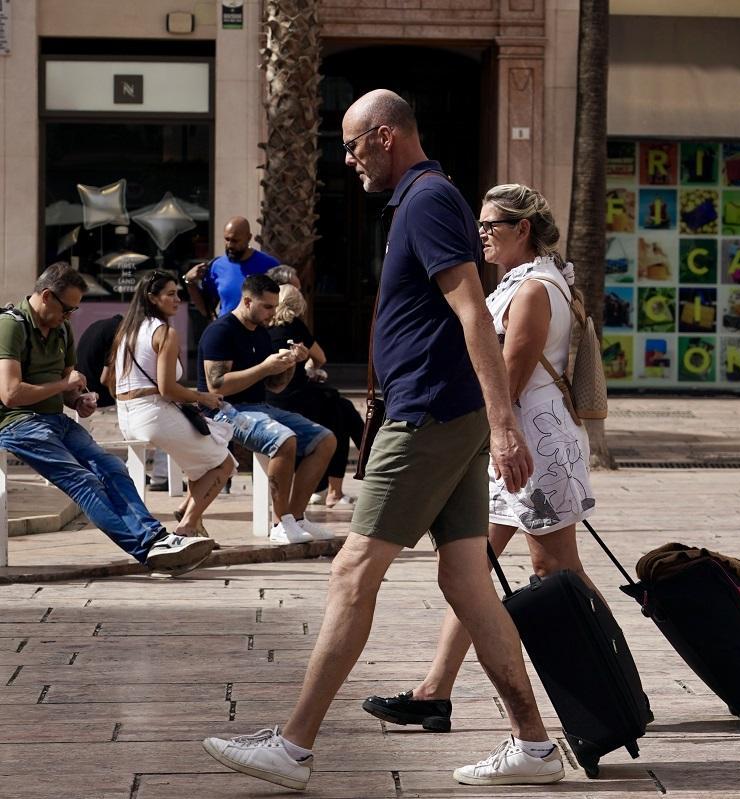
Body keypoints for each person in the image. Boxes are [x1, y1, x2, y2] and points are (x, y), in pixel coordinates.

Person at [202, 89, 561, 791]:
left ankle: (294, 744)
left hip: (427, 415)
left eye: (352, 143)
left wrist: (503, 421)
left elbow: (471, 314)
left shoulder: (427, 202)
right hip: (443, 412)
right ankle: (534, 743)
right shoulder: (423, 202)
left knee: (352, 570)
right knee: (464, 578)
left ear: (387, 136)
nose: (347, 158)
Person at [361, 182, 597, 734]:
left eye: (492, 225)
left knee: (555, 569)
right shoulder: (526, 283)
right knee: (473, 569)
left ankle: (604, 680)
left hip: (528, 444)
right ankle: (434, 691)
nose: (480, 234)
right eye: (480, 224)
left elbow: (509, 379)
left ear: (523, 230)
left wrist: (492, 435)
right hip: (518, 441)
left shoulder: (535, 289)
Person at [0, 263, 215, 573]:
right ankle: (147, 549)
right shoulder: (11, 326)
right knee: (83, 480)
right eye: (67, 309)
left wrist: (77, 399)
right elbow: (10, 394)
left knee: (112, 466)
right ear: (46, 296)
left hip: (54, 420)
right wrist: (66, 385)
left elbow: (66, 386)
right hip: (17, 423)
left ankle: (157, 539)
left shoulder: (60, 328)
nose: (70, 316)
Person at [196, 274, 337, 546]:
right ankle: (280, 522)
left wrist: (289, 364)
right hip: (223, 409)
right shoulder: (221, 331)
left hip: (258, 407)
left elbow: (275, 387)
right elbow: (216, 387)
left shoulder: (260, 332)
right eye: (267, 306)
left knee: (325, 439)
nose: (273, 313)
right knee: (284, 439)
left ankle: (296, 518)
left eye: (274, 306)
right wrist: (264, 367)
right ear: (248, 301)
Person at [111, 271, 236, 541]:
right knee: (225, 463)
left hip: (127, 417)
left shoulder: (127, 331)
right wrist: (204, 397)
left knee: (202, 464)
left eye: (178, 293)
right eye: (170, 294)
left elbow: (111, 381)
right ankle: (187, 527)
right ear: (152, 298)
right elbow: (168, 389)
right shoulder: (165, 332)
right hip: (154, 416)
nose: (177, 299)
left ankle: (192, 517)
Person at [265, 284, 364, 508]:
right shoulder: (294, 326)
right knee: (341, 412)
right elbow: (320, 357)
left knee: (340, 407)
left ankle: (332, 486)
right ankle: (340, 486)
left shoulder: (262, 327)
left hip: (271, 398)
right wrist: (310, 369)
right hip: (296, 398)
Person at [183, 217, 280, 318]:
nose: (230, 245)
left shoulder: (269, 265)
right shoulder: (216, 266)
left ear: (248, 238)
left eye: (235, 241)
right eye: (227, 239)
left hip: (259, 331)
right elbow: (207, 310)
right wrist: (189, 282)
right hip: (227, 330)